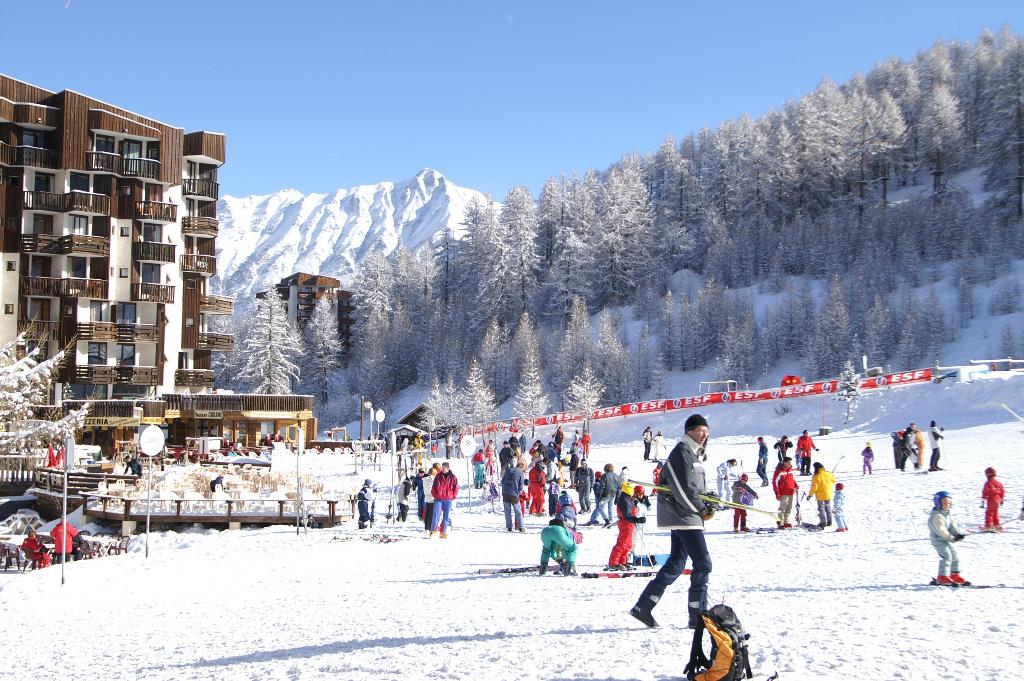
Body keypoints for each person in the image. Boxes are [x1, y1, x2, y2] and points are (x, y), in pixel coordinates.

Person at [631, 413, 715, 630]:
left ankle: (643, 606)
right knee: (703, 563)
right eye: (700, 431)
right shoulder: (682, 451)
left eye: (706, 431)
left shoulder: (693, 453)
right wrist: (701, 508)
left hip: (685, 515)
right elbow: (683, 488)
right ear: (689, 431)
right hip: (684, 515)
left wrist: (708, 500)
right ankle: (697, 616)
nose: (704, 435)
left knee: (676, 563)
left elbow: (694, 487)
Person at [929, 491, 969, 586]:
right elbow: (941, 531)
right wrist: (951, 538)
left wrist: (958, 534)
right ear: (938, 503)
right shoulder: (937, 516)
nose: (947, 505)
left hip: (946, 540)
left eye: (949, 503)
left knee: (955, 556)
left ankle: (954, 575)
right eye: (944, 503)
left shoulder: (947, 515)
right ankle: (942, 577)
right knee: (947, 557)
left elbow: (952, 527)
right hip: (938, 540)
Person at [607, 481, 645, 571]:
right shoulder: (625, 500)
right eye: (632, 490)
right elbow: (627, 515)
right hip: (626, 523)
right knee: (622, 544)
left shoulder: (627, 498)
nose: (633, 492)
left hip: (629, 524)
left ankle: (622, 561)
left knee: (628, 544)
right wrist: (638, 519)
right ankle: (613, 563)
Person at [430, 461, 459, 538]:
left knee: (446, 516)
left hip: (448, 499)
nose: (442, 470)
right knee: (436, 514)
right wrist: (435, 495)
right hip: (438, 499)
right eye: (442, 468)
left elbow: (456, 488)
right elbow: (433, 487)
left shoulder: (453, 477)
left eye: (444, 468)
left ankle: (442, 532)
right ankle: (433, 531)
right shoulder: (438, 476)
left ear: (448, 468)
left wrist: (453, 496)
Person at [772, 457, 799, 529]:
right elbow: (774, 482)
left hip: (790, 491)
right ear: (785, 462)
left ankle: (786, 522)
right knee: (782, 508)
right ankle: (780, 522)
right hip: (783, 492)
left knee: (789, 508)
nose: (790, 464)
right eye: (789, 462)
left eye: (790, 462)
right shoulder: (779, 471)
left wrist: (795, 485)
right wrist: (776, 492)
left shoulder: (791, 470)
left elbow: (792, 479)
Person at [501, 461, 527, 532]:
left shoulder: (509, 470)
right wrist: (518, 493)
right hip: (514, 493)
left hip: (505, 492)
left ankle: (509, 527)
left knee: (507, 510)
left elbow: (502, 481)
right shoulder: (520, 473)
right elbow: (521, 486)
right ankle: (521, 527)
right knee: (517, 510)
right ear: (522, 467)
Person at [808, 462, 836, 529]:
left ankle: (823, 522)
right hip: (828, 493)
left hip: (820, 494)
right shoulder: (828, 473)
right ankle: (829, 521)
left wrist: (810, 495)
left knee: (821, 508)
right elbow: (834, 480)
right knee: (828, 507)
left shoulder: (816, 476)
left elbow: (814, 487)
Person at [594, 463, 620, 528]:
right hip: (613, 494)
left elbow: (602, 487)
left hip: (606, 494)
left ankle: (607, 520)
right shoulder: (616, 476)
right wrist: (617, 498)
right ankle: (610, 521)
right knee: (610, 508)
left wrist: (599, 496)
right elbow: (619, 488)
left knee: (600, 507)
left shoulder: (604, 476)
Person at [981, 467, 1005, 532]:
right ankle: (997, 525)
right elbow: (1002, 491)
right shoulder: (999, 483)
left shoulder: (988, 483)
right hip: (997, 500)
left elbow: (985, 492)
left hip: (991, 500)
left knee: (989, 513)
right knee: (995, 513)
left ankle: (988, 526)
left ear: (987, 475)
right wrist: (1001, 499)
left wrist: (983, 500)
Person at [421, 464, 439, 531]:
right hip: (432, 497)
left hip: (427, 497)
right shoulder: (432, 479)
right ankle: (430, 527)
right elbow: (434, 488)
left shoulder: (424, 479)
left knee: (427, 513)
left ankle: (426, 527)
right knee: (431, 513)